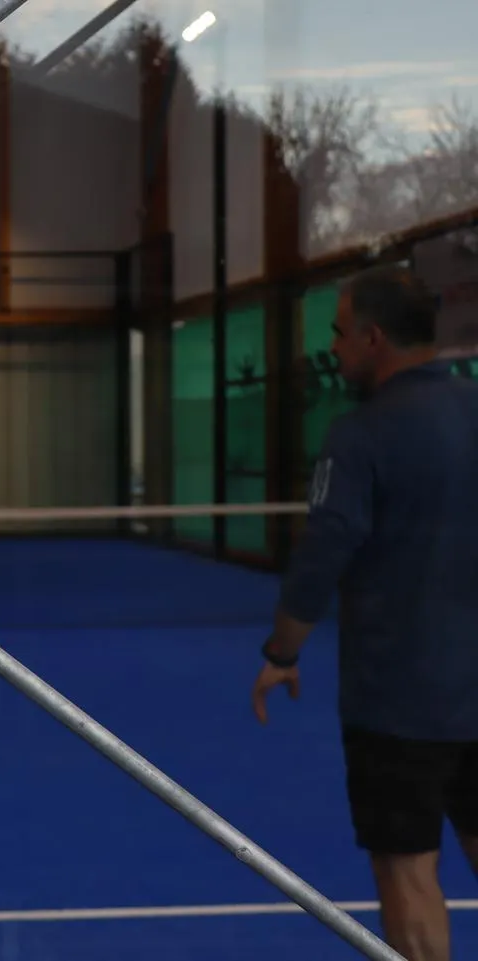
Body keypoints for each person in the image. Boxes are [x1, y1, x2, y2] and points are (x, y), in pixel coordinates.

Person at [252, 263, 478, 961]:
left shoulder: (359, 435)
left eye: (340, 332)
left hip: (398, 703)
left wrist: (281, 652)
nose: (334, 347)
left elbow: (323, 553)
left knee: (407, 871)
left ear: (373, 338)